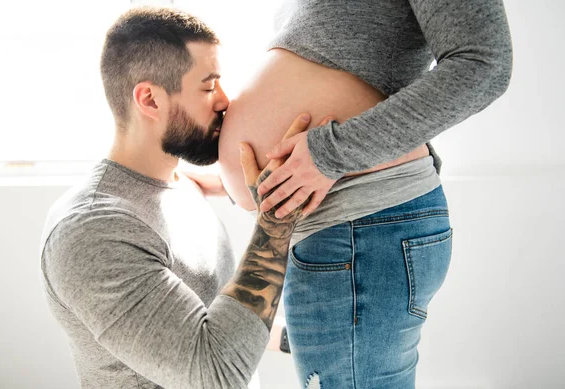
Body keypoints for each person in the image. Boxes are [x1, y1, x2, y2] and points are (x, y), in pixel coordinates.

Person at [214, 0, 514, 388]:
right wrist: (235, 178)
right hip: (348, 231)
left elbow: (484, 65)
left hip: (362, 227)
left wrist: (328, 153)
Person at [39, 7, 311, 389]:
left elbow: (213, 323)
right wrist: (275, 224)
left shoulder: (181, 187)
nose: (224, 101)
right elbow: (213, 373)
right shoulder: (92, 230)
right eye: (208, 86)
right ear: (149, 99)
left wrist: (307, 341)